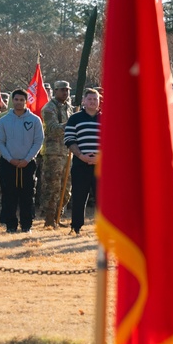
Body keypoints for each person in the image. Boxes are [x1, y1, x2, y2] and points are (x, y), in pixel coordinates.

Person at [0, 88, 44, 234]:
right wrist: (10, 159)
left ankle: (26, 225)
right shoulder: (4, 120)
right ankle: (10, 225)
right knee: (9, 194)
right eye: (16, 99)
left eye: (22, 100)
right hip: (8, 164)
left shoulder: (35, 120)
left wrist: (27, 159)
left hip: (27, 164)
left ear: (26, 101)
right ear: (12, 100)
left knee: (27, 195)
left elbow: (38, 141)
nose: (18, 102)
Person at [64, 88, 101, 235]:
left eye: (95, 99)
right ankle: (76, 227)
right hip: (80, 164)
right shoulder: (74, 118)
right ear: (84, 101)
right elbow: (69, 140)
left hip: (102, 165)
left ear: (99, 101)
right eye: (90, 99)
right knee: (79, 196)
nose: (92, 102)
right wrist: (81, 156)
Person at [39, 80, 73, 228]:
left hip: (66, 152)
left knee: (66, 189)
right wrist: (71, 124)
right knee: (52, 187)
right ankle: (49, 218)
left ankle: (59, 215)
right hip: (53, 153)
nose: (65, 93)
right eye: (62, 90)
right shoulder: (49, 108)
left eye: (67, 90)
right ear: (55, 91)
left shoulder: (69, 108)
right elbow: (52, 128)